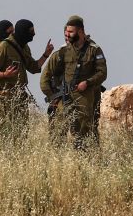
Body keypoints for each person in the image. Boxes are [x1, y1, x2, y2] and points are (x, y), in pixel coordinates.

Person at [40, 15, 106, 148]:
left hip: (87, 96)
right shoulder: (62, 51)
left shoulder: (94, 49)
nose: (67, 35)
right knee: (58, 128)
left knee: (86, 128)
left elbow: (102, 73)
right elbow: (45, 77)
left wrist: (87, 83)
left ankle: (88, 157)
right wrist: (52, 96)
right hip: (64, 97)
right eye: (66, 32)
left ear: (81, 31)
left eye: (71, 32)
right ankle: (58, 160)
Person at [0, 18, 53, 142]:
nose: (33, 34)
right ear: (23, 32)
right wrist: (4, 74)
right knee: (7, 132)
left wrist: (46, 54)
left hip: (20, 95)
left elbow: (33, 67)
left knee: (22, 131)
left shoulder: (24, 47)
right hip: (6, 97)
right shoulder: (4, 46)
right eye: (31, 32)